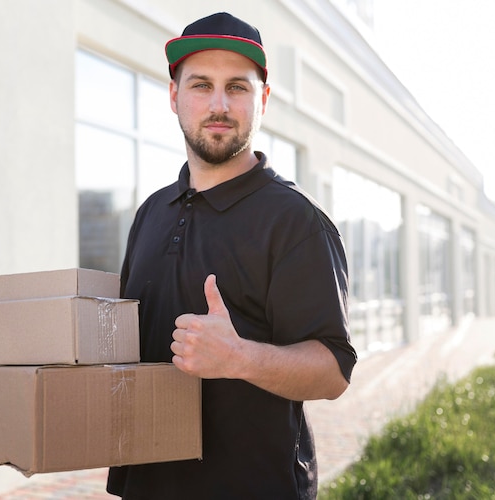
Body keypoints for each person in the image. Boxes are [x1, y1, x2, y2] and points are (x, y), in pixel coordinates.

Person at [107, 12, 357, 500]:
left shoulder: (294, 222)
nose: (219, 104)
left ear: (262, 100)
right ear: (175, 96)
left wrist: (238, 356)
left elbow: (333, 371)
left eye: (237, 88)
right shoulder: (151, 212)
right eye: (201, 85)